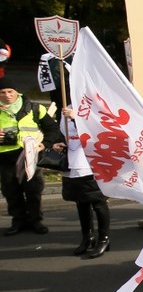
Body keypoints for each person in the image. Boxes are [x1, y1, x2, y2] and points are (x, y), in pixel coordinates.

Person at [1, 77, 62, 236]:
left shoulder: (35, 108)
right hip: (5, 158)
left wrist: (45, 144)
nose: (7, 95)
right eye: (3, 92)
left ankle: (36, 221)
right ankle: (18, 221)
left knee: (34, 190)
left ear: (17, 92)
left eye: (10, 91)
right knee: (11, 192)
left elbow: (53, 129)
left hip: (31, 156)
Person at [53, 107, 112, 258]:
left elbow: (97, 130)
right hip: (72, 163)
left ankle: (104, 239)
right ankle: (87, 237)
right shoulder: (67, 107)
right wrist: (58, 143)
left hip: (91, 163)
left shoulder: (92, 103)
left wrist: (75, 118)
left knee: (98, 202)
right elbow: (61, 134)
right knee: (81, 201)